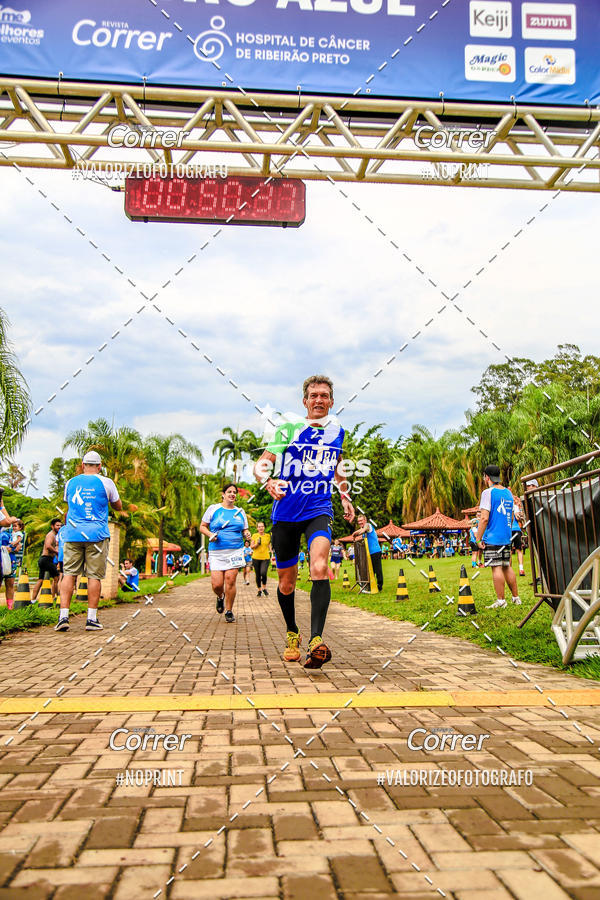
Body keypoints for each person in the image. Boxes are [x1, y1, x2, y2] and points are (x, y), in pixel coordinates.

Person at [253, 375, 354, 669]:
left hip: (318, 507)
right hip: (284, 513)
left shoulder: (337, 432)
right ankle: (292, 633)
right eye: (314, 395)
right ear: (305, 402)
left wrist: (345, 497)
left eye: (324, 395)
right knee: (286, 583)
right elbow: (262, 464)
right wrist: (269, 482)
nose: (319, 400)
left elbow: (337, 468)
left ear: (332, 402)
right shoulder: (289, 429)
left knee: (320, 567)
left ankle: (316, 640)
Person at [55, 451, 122, 632]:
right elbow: (118, 505)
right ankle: (91, 619)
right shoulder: (106, 482)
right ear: (100, 466)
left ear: (82, 464)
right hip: (97, 535)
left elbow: (69, 505)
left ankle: (63, 617)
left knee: (69, 574)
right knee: (94, 576)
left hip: (73, 534)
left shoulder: (71, 482)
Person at [200, 483, 250, 624]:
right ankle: (220, 597)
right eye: (229, 492)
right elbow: (202, 527)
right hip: (216, 551)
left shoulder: (240, 512)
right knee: (217, 584)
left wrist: (247, 534)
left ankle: (229, 610)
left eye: (234, 492)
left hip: (235, 550)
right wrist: (210, 534)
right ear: (223, 494)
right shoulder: (214, 509)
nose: (232, 494)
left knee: (230, 580)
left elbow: (245, 530)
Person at [474, 465, 521, 610]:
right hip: (506, 536)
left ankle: (501, 600)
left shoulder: (488, 493)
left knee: (496, 567)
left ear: (487, 477)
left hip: (493, 536)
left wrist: (477, 538)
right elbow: (511, 515)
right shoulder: (508, 493)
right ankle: (516, 597)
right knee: (507, 566)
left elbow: (484, 518)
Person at [32, 518, 62, 603]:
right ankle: (54, 598)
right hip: (46, 559)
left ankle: (33, 600)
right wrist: (57, 552)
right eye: (57, 525)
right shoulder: (51, 535)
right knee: (56, 577)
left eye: (60, 525)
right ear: (52, 526)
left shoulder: (55, 535)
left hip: (45, 559)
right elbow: (48, 546)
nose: (59, 527)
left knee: (40, 580)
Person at [353, 514, 384, 592]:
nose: (360, 522)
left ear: (365, 520)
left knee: (377, 569)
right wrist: (355, 533)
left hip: (375, 551)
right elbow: (360, 531)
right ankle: (370, 585)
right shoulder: (363, 529)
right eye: (358, 521)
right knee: (370, 570)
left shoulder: (368, 525)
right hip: (368, 553)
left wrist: (356, 533)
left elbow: (364, 529)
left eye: (361, 520)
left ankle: (379, 586)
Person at [250, 521, 271, 597]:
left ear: (264, 527)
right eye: (259, 527)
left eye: (262, 526)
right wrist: (257, 544)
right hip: (256, 558)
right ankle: (259, 590)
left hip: (265, 557)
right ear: (257, 528)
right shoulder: (254, 535)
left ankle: (264, 587)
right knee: (258, 575)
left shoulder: (268, 536)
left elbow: (269, 545)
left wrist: (272, 553)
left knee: (263, 573)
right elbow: (251, 546)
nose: (261, 528)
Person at [511, 495, 526, 576]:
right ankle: (521, 569)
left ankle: (509, 570)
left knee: (509, 550)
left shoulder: (504, 506)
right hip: (516, 530)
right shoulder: (515, 507)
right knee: (519, 550)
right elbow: (518, 518)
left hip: (508, 531)